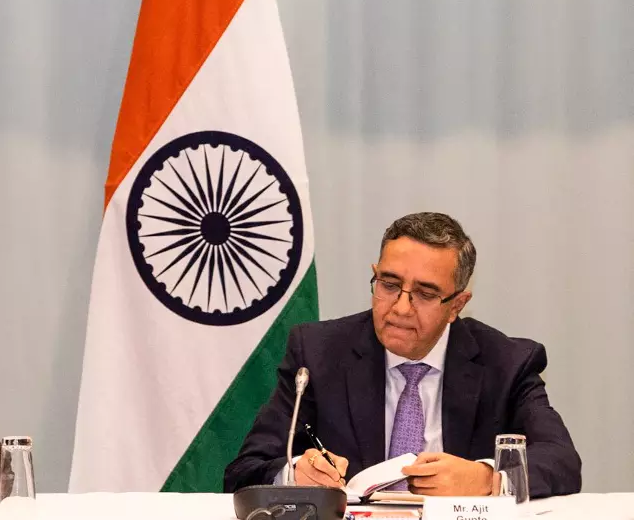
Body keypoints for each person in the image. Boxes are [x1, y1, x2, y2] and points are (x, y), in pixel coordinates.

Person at [225, 212, 580, 498]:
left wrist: (487, 479)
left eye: (425, 294)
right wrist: (294, 473)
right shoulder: (318, 352)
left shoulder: (506, 362)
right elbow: (244, 471)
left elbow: (562, 461)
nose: (401, 308)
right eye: (389, 285)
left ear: (457, 305)